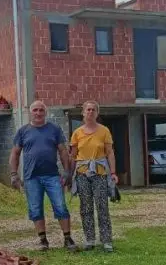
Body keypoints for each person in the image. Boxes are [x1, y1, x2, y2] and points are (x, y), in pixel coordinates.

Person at [9, 100, 77, 252]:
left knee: (60, 206)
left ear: (45, 112)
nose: (38, 113)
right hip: (31, 177)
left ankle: (67, 239)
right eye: (35, 110)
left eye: (41, 110)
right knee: (35, 209)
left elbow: (63, 151)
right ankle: (43, 240)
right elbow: (15, 153)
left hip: (52, 176)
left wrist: (67, 172)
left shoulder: (54, 129)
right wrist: (14, 174)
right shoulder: (23, 131)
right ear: (30, 112)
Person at [70, 100, 119, 252]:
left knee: (102, 206)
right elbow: (73, 155)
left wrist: (113, 173)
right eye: (88, 109)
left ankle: (106, 240)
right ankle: (89, 239)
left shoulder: (104, 131)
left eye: (93, 110)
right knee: (85, 207)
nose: (90, 112)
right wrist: (69, 175)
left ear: (97, 113)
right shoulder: (77, 133)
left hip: (100, 172)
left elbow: (109, 153)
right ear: (83, 113)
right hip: (82, 173)